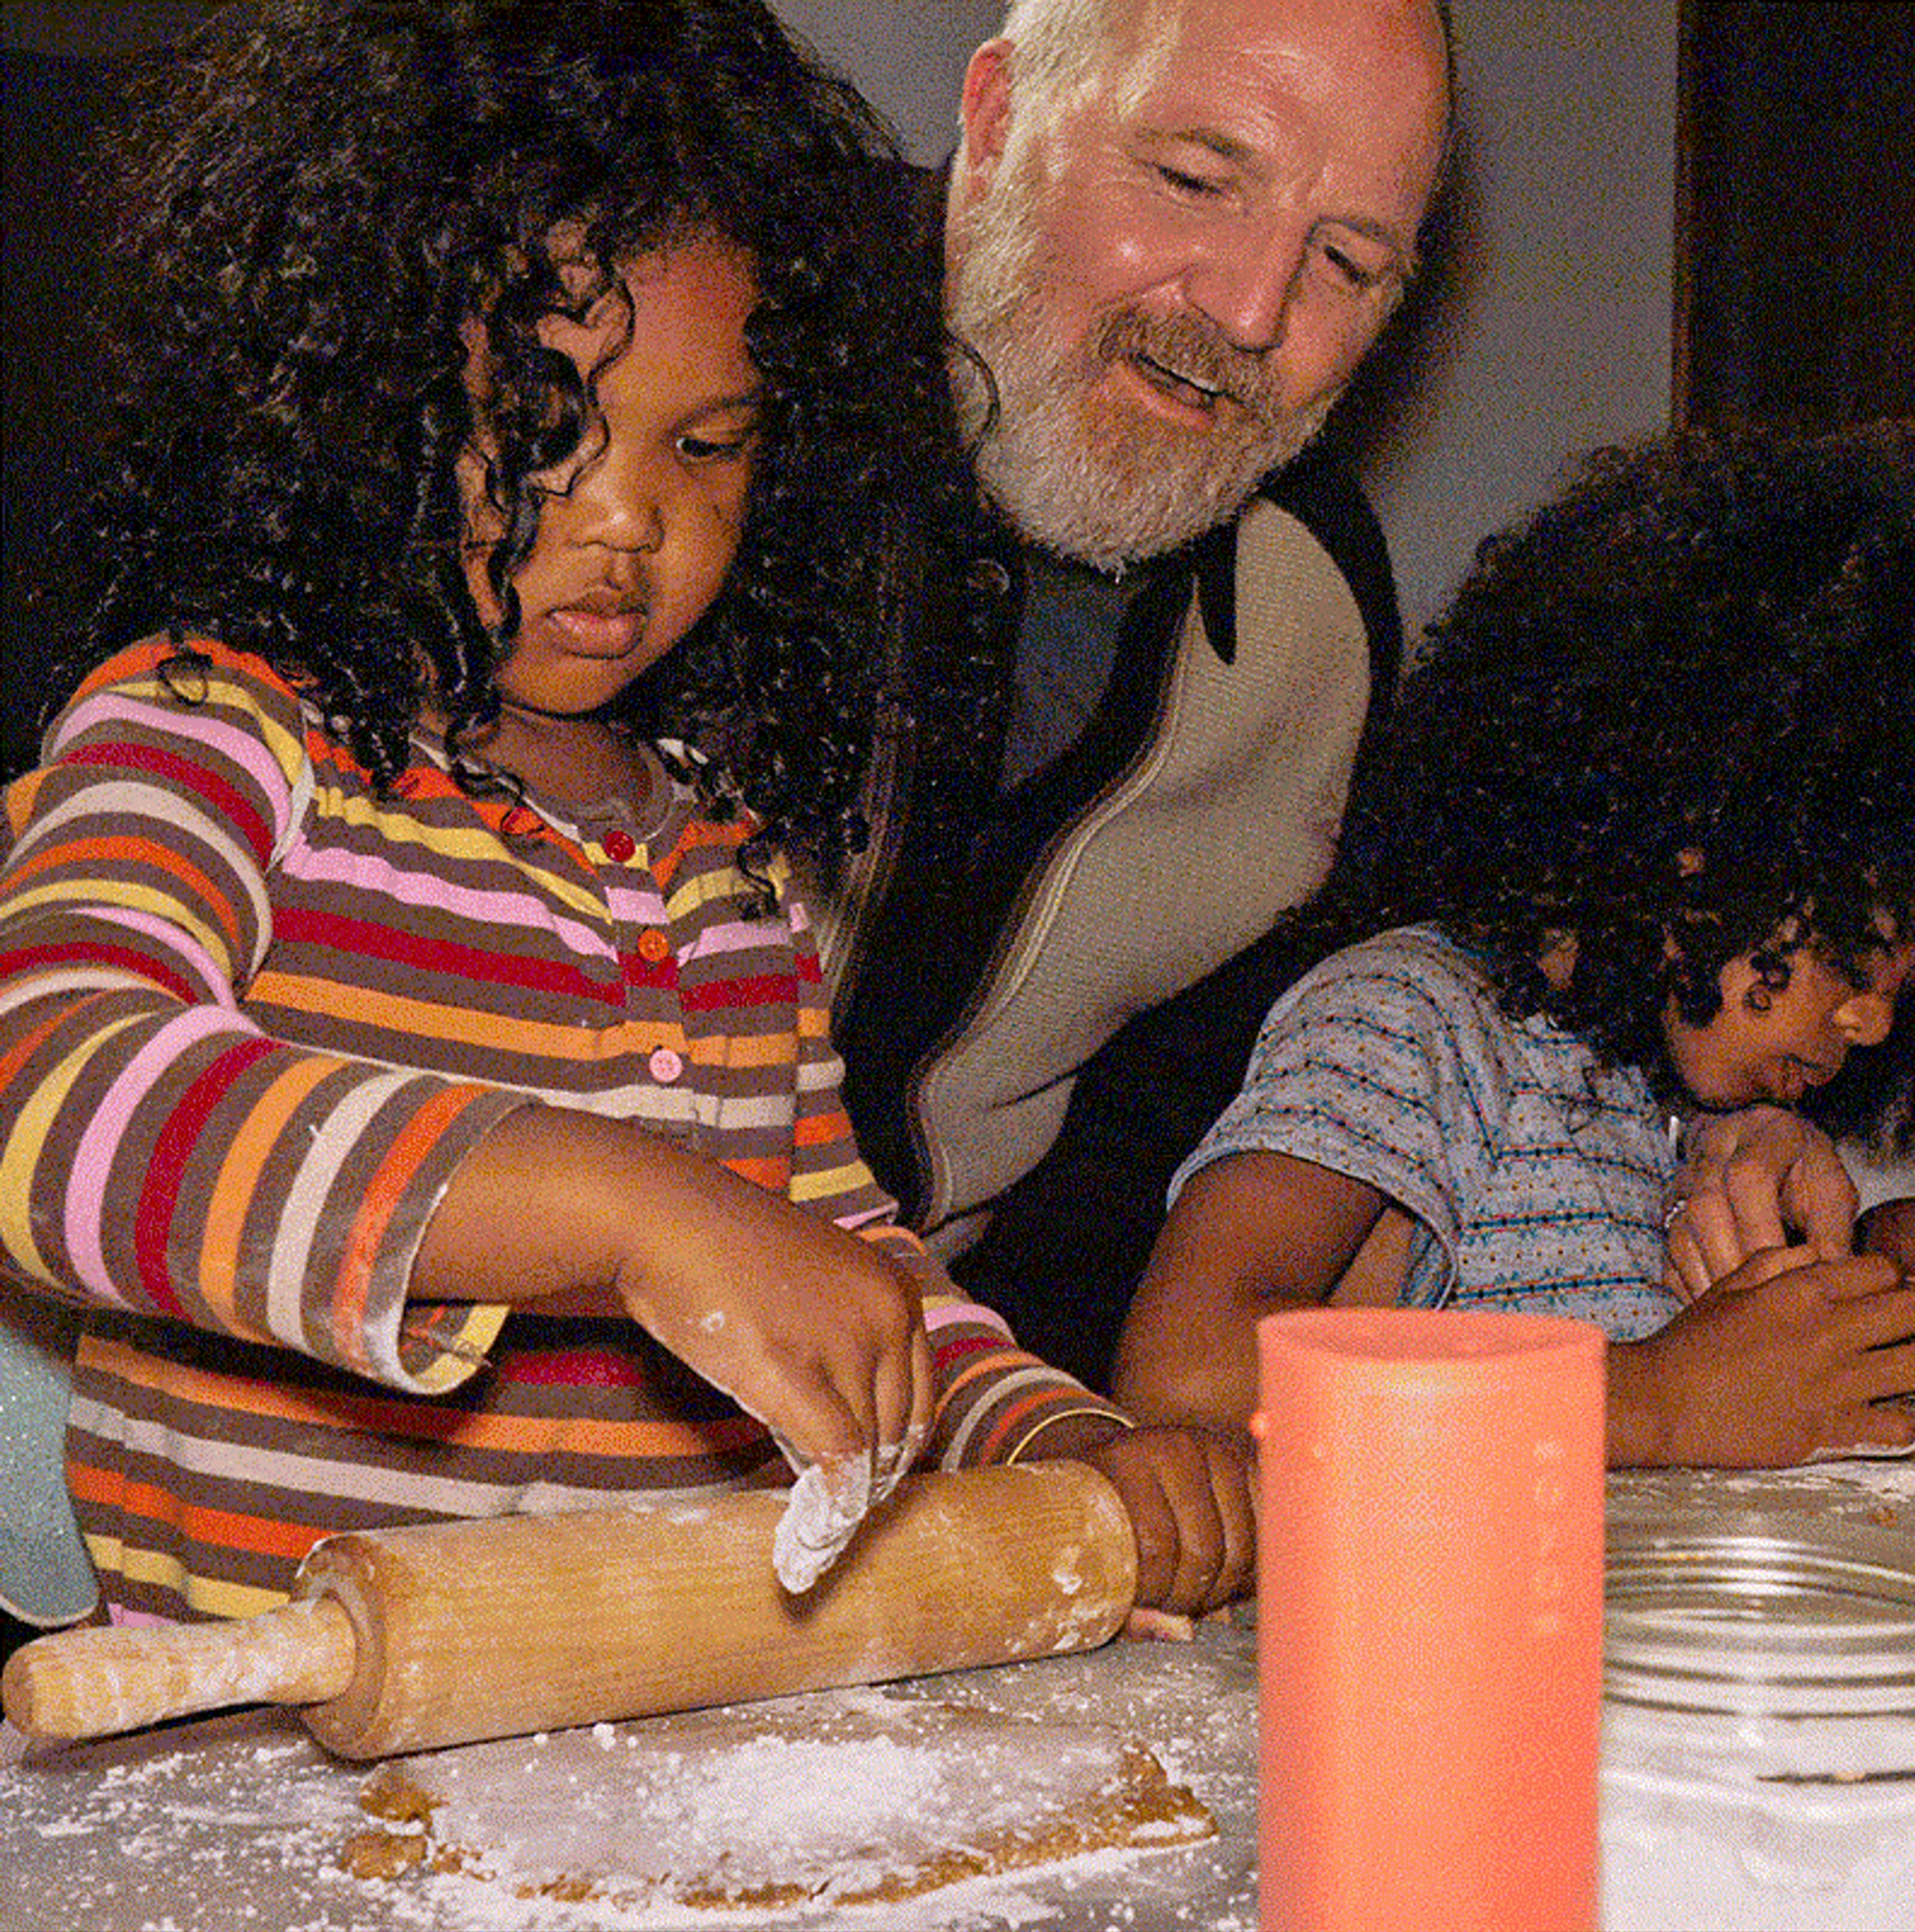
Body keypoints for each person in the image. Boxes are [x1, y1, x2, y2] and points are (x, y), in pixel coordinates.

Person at [0, 0, 1253, 1638]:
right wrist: (619, 1211)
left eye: (708, 444)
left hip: (634, 1746)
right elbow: (51, 1095)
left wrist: (1055, 1436)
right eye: (539, 432)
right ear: (353, 400)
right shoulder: (215, 728)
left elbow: (849, 1276)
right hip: (242, 1750)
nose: (629, 519)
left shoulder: (730, 872)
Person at [811, 0, 1455, 1394]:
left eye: (1344, 262)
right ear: (995, 124)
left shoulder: (1311, 629)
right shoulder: (675, 385)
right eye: (1192, 182)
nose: (1246, 312)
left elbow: (1135, 1177)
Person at [1113, 422, 1915, 1468]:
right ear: (1703, 824)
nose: (1875, 1021)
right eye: (1857, 955)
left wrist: (1888, 1260)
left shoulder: (1671, 1098)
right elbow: (1187, 1370)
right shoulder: (1413, 1016)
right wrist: (1660, 1399)